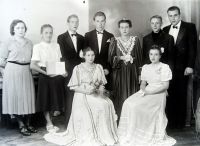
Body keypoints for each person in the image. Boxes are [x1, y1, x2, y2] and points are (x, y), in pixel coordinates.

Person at [44, 47, 118, 146]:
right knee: (100, 105)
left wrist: (100, 88)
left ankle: (104, 133)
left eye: (92, 55)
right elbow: (73, 87)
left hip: (95, 92)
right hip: (82, 93)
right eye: (88, 55)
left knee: (107, 103)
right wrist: (85, 91)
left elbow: (101, 83)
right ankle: (92, 133)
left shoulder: (99, 67)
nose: (91, 58)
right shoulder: (78, 68)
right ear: (84, 56)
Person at [118, 45, 176, 146]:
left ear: (160, 56)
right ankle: (132, 133)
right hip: (147, 90)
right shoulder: (145, 67)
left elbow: (165, 86)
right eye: (151, 54)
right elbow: (143, 83)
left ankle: (144, 133)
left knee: (135, 106)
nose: (153, 57)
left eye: (156, 54)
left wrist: (150, 93)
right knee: (128, 102)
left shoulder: (164, 67)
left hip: (158, 93)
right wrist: (143, 91)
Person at [0, 19, 37, 136]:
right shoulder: (7, 42)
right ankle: (21, 124)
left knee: (28, 98)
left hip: (26, 71)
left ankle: (28, 123)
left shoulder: (30, 43)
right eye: (18, 28)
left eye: (23, 28)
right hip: (12, 72)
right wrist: (8, 72)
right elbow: (1, 61)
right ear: (13, 30)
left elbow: (33, 59)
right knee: (15, 99)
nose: (21, 30)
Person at [163, 6, 197, 128]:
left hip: (183, 67)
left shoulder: (189, 27)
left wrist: (190, 66)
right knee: (169, 93)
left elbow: (193, 48)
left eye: (175, 15)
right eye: (170, 15)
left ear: (180, 15)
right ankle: (171, 122)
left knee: (182, 94)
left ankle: (181, 123)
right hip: (168, 68)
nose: (173, 18)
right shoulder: (165, 29)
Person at [30, 24, 67, 133]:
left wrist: (63, 71)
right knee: (45, 99)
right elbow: (32, 66)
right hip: (45, 75)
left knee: (53, 99)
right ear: (41, 34)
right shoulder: (37, 47)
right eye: (46, 32)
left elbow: (59, 62)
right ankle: (49, 122)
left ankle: (52, 120)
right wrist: (46, 73)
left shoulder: (57, 45)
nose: (49, 35)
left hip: (56, 74)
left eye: (50, 32)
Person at [108, 19, 142, 118]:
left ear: (130, 28)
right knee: (120, 96)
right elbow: (111, 60)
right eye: (122, 27)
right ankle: (120, 121)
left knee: (132, 95)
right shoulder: (115, 41)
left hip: (132, 73)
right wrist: (121, 57)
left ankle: (132, 120)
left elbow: (139, 59)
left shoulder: (135, 40)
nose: (124, 29)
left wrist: (140, 74)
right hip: (119, 74)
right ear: (119, 28)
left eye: (126, 27)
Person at [57, 14, 85, 126]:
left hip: (79, 70)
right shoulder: (61, 37)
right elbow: (60, 56)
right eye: (72, 22)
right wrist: (63, 70)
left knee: (79, 95)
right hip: (67, 71)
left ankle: (80, 122)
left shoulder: (82, 38)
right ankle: (69, 123)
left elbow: (83, 56)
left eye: (76, 22)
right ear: (68, 23)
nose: (75, 24)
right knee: (69, 96)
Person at [85, 11, 114, 90]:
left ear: (105, 22)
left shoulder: (110, 36)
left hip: (105, 70)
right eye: (98, 21)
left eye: (102, 21)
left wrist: (108, 69)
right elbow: (85, 55)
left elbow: (112, 55)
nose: (100, 24)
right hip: (91, 70)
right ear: (94, 22)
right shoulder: (87, 35)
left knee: (103, 95)